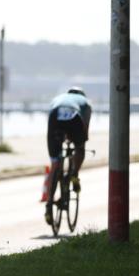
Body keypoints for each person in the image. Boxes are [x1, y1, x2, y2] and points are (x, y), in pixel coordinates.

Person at [45, 87, 92, 226]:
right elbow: (85, 130)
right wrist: (77, 141)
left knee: (55, 164)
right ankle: (74, 175)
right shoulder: (85, 103)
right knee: (80, 149)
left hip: (55, 118)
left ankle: (48, 205)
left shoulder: (58, 98)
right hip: (75, 118)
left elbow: (52, 120)